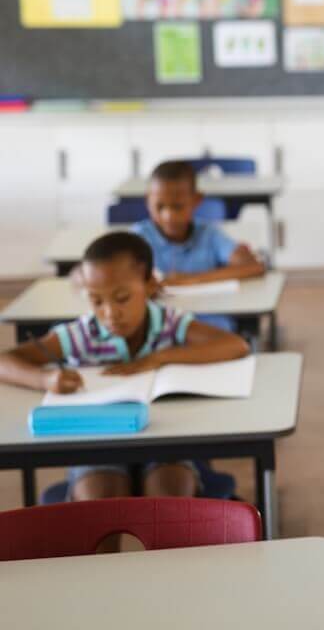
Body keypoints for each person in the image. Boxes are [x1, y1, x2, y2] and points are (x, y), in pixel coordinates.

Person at [0, 231, 250, 507]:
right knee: (103, 503)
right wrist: (44, 378)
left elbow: (235, 344)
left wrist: (161, 357)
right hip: (96, 444)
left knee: (169, 501)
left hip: (166, 442)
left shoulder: (169, 323)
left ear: (150, 286)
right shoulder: (82, 334)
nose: (110, 313)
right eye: (97, 301)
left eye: (122, 297)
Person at [133, 160, 267, 333]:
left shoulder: (209, 234)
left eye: (178, 206)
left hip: (208, 320)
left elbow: (254, 267)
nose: (168, 216)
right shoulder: (139, 236)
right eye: (159, 206)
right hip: (156, 323)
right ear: (147, 200)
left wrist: (187, 280)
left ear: (197, 200)